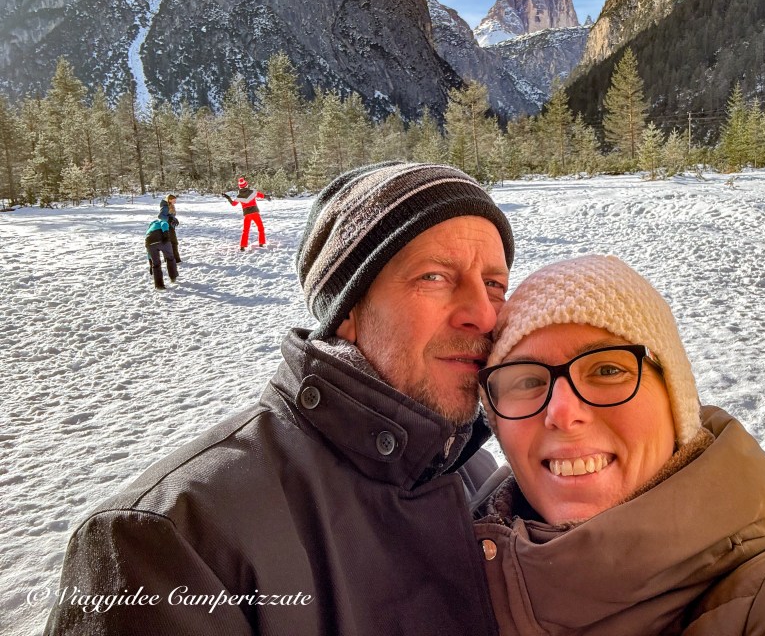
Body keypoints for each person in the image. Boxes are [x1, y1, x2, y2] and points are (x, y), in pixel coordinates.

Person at [46, 162, 515, 636]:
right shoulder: (170, 541)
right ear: (346, 310)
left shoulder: (472, 470)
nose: (482, 313)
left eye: (495, 284)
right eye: (433, 277)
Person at [474, 255, 765, 635]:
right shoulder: (461, 551)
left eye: (607, 370)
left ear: (675, 401)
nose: (562, 412)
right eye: (527, 380)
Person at [222, 176, 267, 250]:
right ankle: (261, 243)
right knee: (260, 228)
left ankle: (242, 246)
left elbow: (233, 204)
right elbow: (261, 195)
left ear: (240, 187)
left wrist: (228, 198)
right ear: (246, 185)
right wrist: (266, 196)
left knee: (245, 230)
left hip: (247, 215)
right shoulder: (252, 192)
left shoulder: (239, 197)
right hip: (255, 213)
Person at [144, 217, 178, 290]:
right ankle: (173, 277)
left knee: (156, 264)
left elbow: (147, 249)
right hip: (162, 239)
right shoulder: (159, 222)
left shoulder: (148, 231)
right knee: (170, 258)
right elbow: (164, 224)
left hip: (150, 243)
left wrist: (150, 263)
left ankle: (159, 286)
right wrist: (166, 234)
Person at [158, 193, 182, 263]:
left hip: (170, 227)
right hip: (167, 227)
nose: (175, 202)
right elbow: (160, 216)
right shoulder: (165, 207)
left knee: (169, 243)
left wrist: (175, 219)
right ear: (170, 200)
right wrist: (169, 219)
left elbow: (170, 216)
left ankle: (169, 259)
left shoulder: (170, 206)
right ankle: (176, 260)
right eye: (174, 200)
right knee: (173, 243)